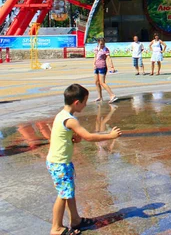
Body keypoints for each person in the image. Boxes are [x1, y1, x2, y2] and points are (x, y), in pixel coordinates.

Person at [47, 84, 122, 235]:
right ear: (77, 102)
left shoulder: (61, 115)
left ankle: (76, 220)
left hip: (59, 161)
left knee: (69, 192)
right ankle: (56, 228)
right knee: (62, 195)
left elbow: (63, 135)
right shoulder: (70, 120)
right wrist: (110, 136)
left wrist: (72, 138)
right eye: (85, 101)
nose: (86, 105)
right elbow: (88, 136)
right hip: (60, 164)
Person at [93, 38, 117, 103]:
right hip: (96, 67)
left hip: (102, 67)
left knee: (102, 82)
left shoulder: (105, 50)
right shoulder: (96, 49)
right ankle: (100, 97)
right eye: (101, 44)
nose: (102, 45)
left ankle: (112, 95)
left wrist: (112, 67)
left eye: (103, 44)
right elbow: (95, 57)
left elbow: (109, 58)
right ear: (98, 43)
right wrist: (94, 64)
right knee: (96, 82)